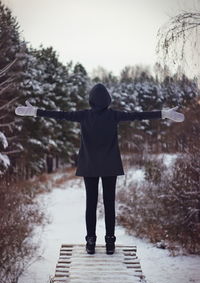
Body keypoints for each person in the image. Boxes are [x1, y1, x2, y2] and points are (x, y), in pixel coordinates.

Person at [15, 83, 184, 255]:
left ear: (91, 100)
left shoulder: (84, 116)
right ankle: (110, 243)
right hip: (110, 166)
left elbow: (61, 115)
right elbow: (138, 116)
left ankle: (90, 241)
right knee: (109, 204)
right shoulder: (114, 115)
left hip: (89, 166)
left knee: (91, 204)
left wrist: (35, 111)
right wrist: (164, 114)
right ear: (108, 100)